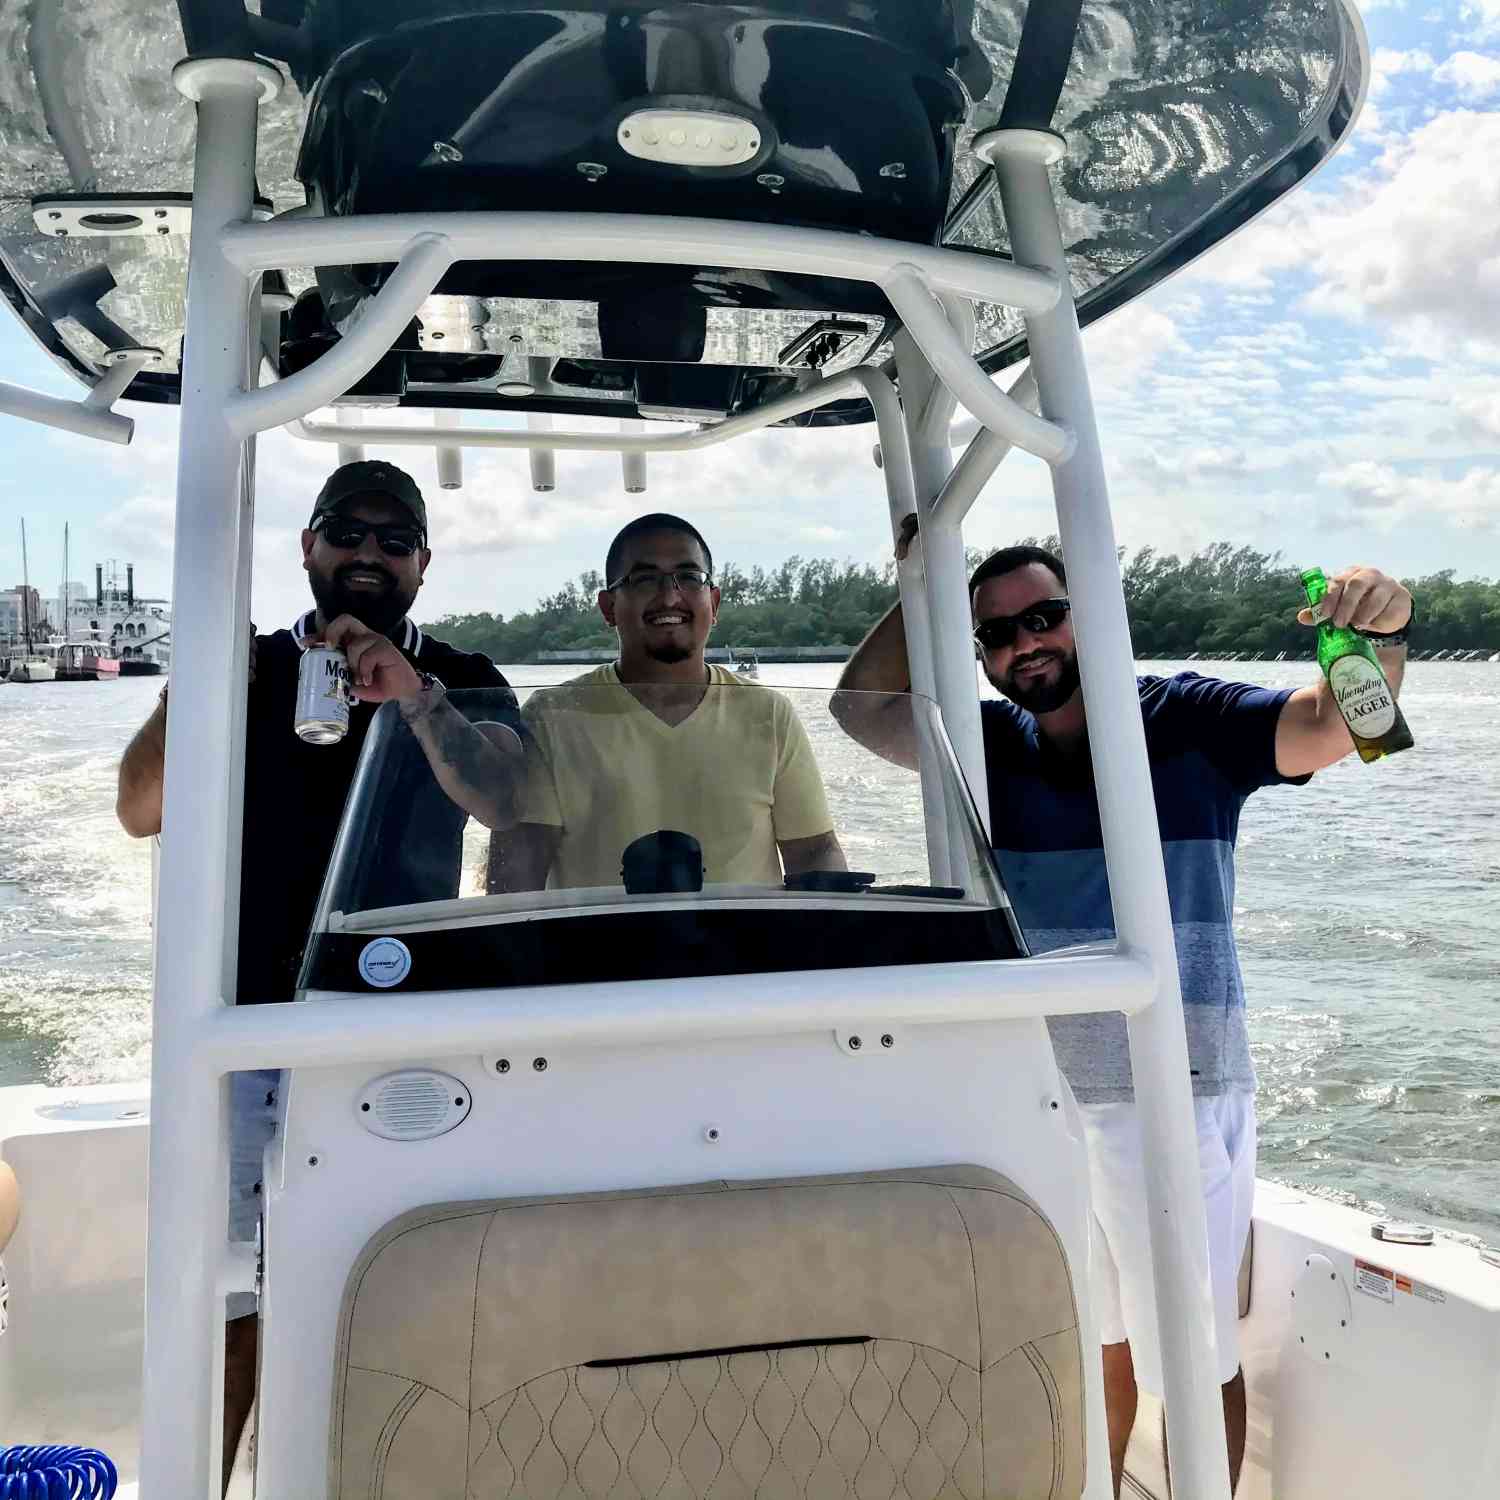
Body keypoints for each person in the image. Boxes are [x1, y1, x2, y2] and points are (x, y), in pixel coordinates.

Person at [833, 531, 1413, 1496]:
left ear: (1091, 614)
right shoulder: (987, 750)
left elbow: (1347, 727)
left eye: (1045, 616)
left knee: (1192, 1354)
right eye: (999, 633)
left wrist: (1378, 637)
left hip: (1169, 1096)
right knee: (1092, 1338)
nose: (1028, 643)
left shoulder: (1187, 718)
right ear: (979, 656)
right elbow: (864, 709)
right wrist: (922, 568)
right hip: (1045, 1105)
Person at [115, 459, 516, 1495]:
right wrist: (197, 680)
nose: (370, 556)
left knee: (401, 1288)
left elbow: (515, 803)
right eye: (350, 533)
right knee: (233, 1301)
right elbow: (139, 807)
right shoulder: (236, 666)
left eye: (396, 540)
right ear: (309, 548)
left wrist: (414, 694)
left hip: (407, 1036)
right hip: (243, 1027)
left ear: (424, 563)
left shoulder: (464, 673)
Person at [338, 512, 843, 891]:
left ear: (713, 602)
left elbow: (815, 850)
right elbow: (518, 871)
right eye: (644, 580)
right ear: (608, 607)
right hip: (594, 982)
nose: (670, 596)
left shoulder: (769, 715)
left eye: (688, 578)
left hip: (743, 982)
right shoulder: (554, 717)